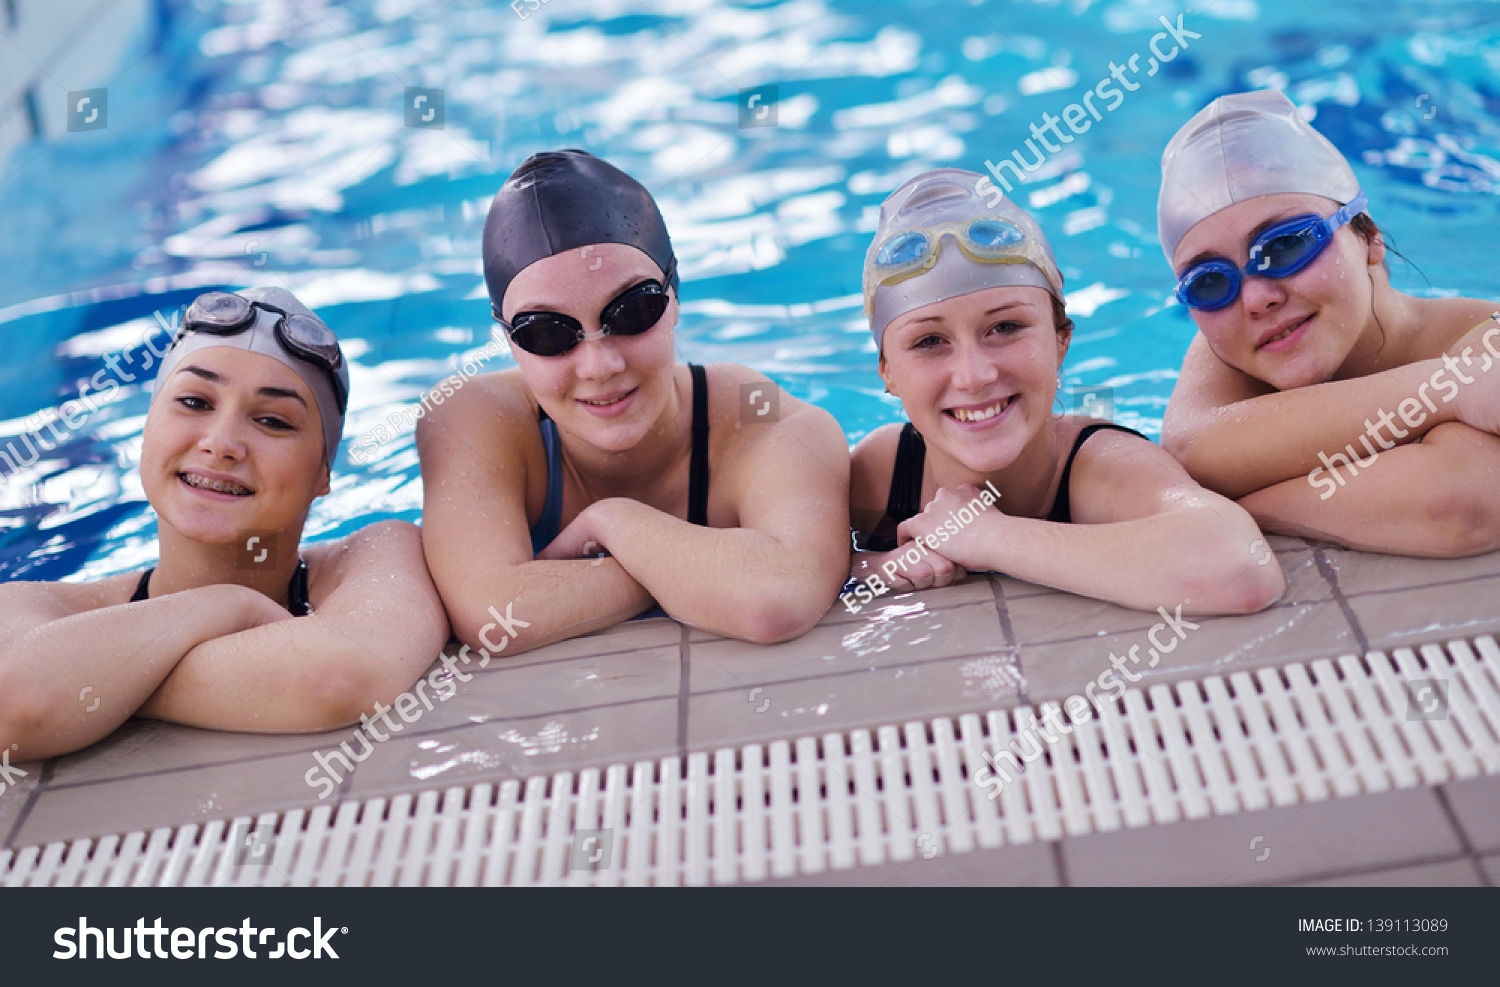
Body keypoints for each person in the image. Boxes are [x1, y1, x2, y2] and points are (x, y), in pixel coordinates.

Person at [416, 149, 850, 654]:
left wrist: (614, 522)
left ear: (675, 297)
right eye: (547, 332)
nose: (600, 366)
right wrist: (694, 571)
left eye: (632, 310)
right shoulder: (472, 421)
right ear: (509, 342)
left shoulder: (765, 424)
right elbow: (495, 617)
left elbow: (777, 597)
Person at [0, 287, 449, 761]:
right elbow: (14, 708)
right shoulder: (31, 604)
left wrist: (91, 682)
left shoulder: (380, 549)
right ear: (147, 432)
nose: (221, 443)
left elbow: (338, 680)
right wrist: (229, 604)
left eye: (273, 420)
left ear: (323, 473)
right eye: (194, 402)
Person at [849, 168, 1285, 614]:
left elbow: (1240, 570)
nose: (973, 376)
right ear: (888, 374)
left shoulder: (1099, 464)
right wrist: (873, 566)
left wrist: (986, 536)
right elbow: (794, 566)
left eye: (1005, 327)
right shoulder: (884, 472)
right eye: (928, 342)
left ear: (1061, 341)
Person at [1158, 90, 1500, 556]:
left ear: (1370, 237)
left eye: (1287, 246)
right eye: (1209, 282)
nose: (1256, 298)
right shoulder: (1236, 338)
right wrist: (1453, 387)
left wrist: (1234, 500)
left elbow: (1456, 504)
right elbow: (1190, 453)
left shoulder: (1488, 336)